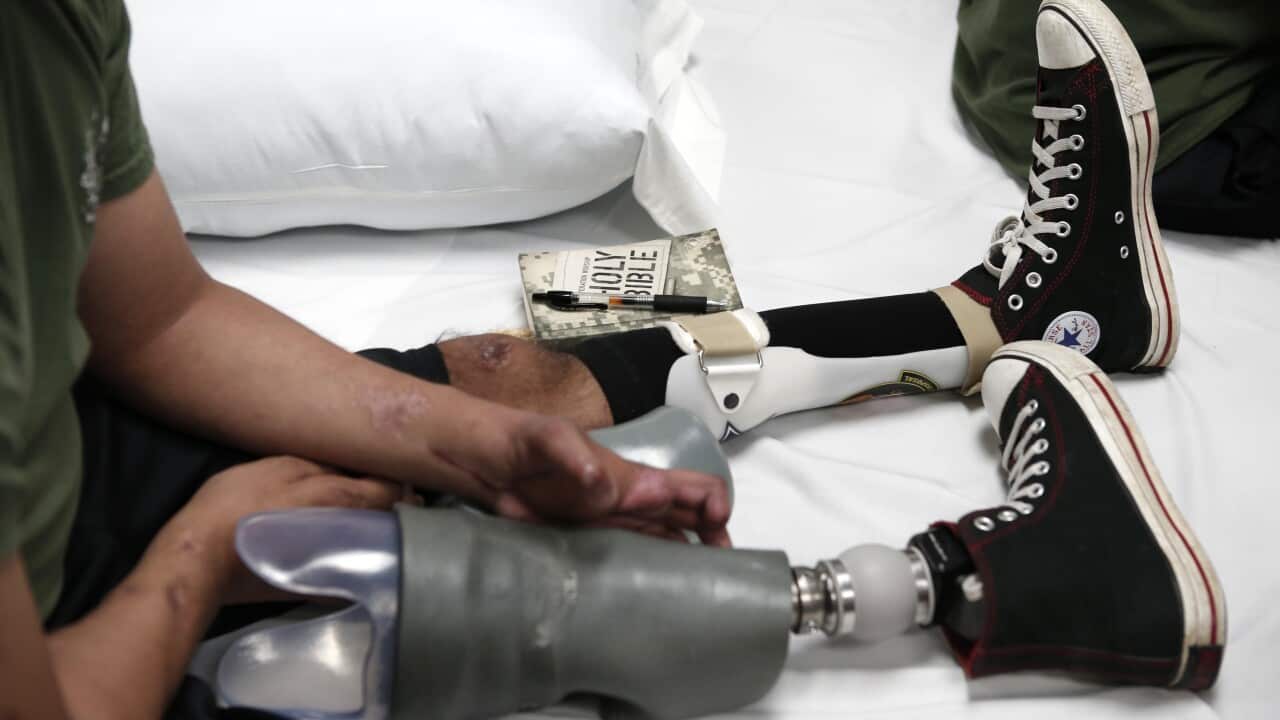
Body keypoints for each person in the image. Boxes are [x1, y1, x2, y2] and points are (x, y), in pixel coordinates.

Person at [0, 3, 732, 719]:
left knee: (499, 375)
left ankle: (754, 357)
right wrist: (203, 558)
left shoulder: (53, 27)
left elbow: (160, 316)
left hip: (66, 462)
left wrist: (486, 447)